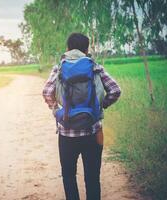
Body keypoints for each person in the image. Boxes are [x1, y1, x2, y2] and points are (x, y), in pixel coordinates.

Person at [42, 33, 121, 200]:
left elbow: (47, 93)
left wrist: (56, 110)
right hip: (93, 132)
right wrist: (101, 106)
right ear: (87, 49)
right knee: (92, 178)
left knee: (69, 176)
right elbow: (115, 90)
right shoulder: (95, 67)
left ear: (68, 48)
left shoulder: (60, 68)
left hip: (67, 133)